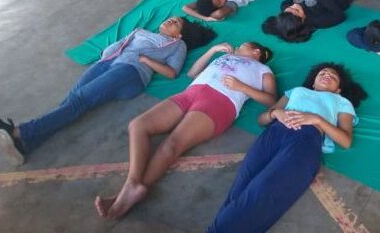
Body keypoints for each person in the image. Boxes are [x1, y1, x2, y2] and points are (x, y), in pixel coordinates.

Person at [0, 17, 216, 165]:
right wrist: (105, 58)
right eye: (172, 18)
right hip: (109, 62)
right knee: (73, 98)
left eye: (176, 23)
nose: (170, 20)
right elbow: (119, 44)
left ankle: (19, 132)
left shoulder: (177, 45)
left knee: (79, 99)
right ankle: (27, 144)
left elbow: (172, 72)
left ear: (179, 35)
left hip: (131, 72)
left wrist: (146, 60)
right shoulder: (142, 31)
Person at [94, 40, 276, 220]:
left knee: (172, 145)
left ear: (256, 52)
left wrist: (241, 87)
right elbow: (192, 73)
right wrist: (213, 50)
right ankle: (131, 185)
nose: (237, 46)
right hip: (191, 93)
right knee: (138, 125)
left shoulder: (263, 70)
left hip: (220, 102)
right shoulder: (224, 57)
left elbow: (271, 100)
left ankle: (130, 194)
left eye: (243, 45)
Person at [207, 62, 367, 232]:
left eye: (333, 76)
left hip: (305, 140)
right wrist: (275, 113)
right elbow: (261, 120)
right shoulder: (297, 91)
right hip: (273, 134)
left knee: (263, 190)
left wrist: (317, 119)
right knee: (240, 188)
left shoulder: (341, 102)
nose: (327, 75)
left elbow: (345, 141)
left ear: (338, 90)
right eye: (322, 72)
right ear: (313, 83)